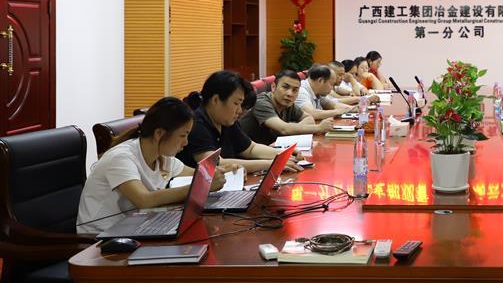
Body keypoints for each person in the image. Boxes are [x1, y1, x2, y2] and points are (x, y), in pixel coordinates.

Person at [77, 97, 226, 234]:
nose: (186, 142)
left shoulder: (163, 157)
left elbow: (196, 174)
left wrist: (213, 175)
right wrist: (202, 185)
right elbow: (144, 200)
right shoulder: (121, 158)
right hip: (99, 239)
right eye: (182, 135)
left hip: (136, 226)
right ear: (159, 133)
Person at [179, 70, 304, 173]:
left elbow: (250, 149)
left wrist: (283, 154)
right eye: (236, 103)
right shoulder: (196, 124)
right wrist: (273, 163)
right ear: (216, 100)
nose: (239, 111)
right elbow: (215, 163)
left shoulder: (225, 120)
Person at [239, 69, 332, 145]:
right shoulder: (261, 102)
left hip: (270, 149)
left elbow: (309, 118)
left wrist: (292, 129)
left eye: (295, 90)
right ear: (273, 87)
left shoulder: (287, 104)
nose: (290, 94)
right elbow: (283, 129)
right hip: (244, 155)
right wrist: (319, 128)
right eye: (285, 87)